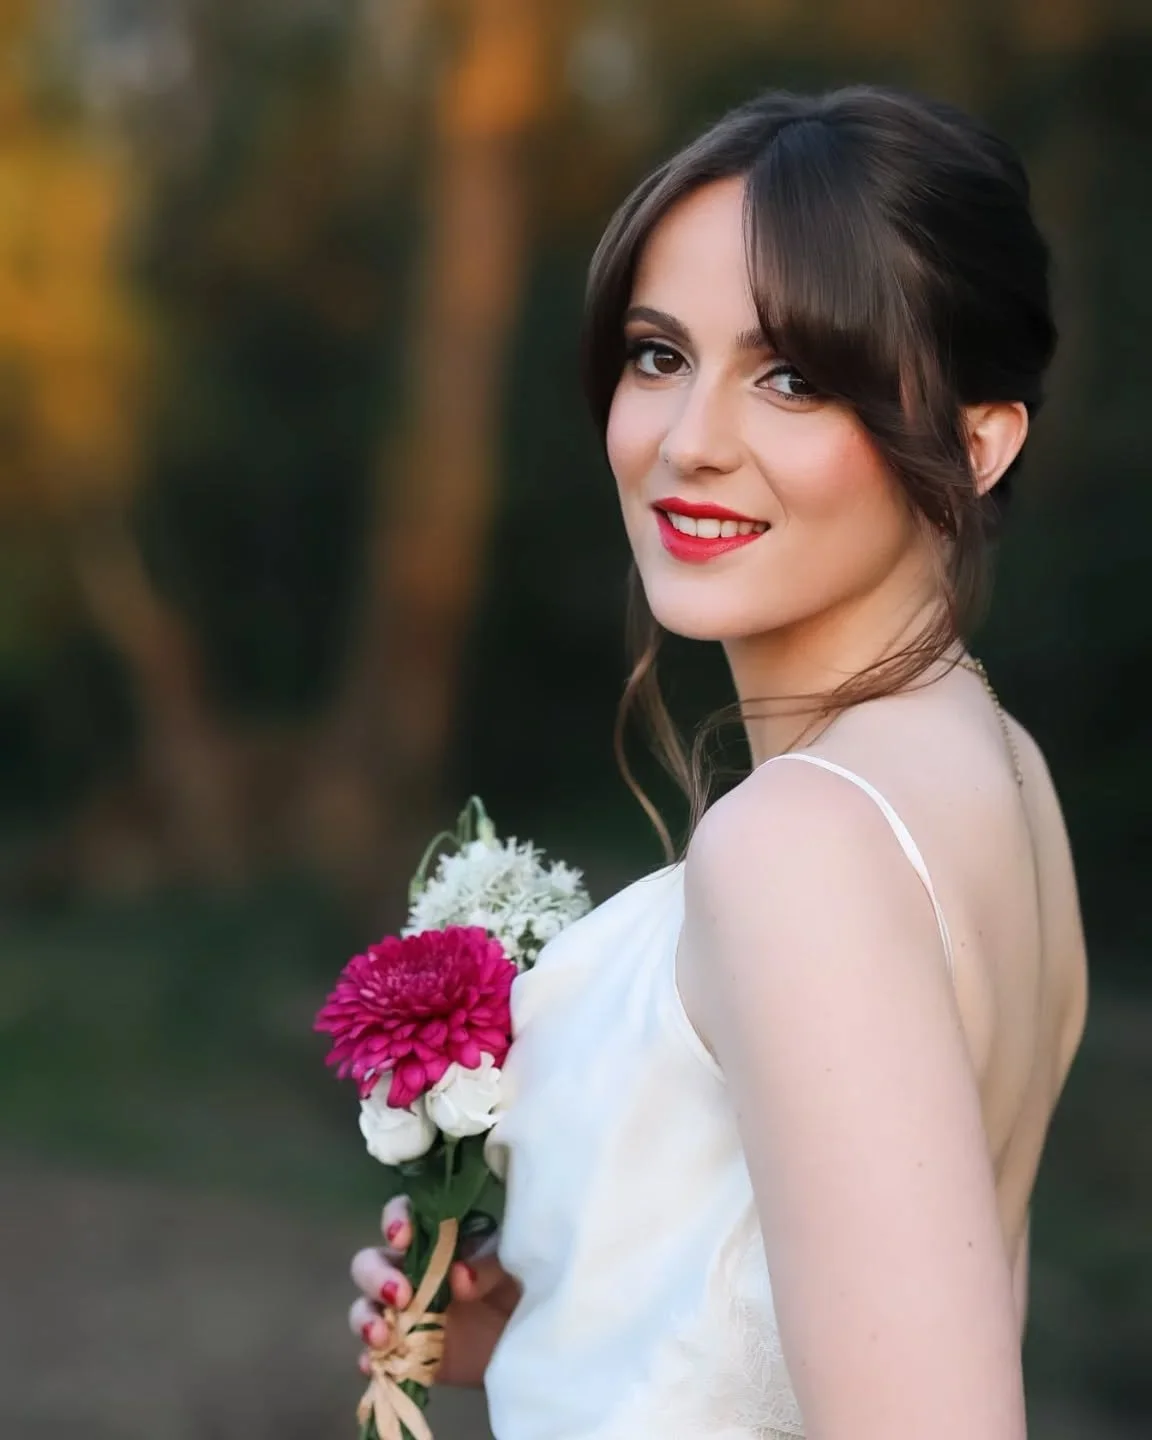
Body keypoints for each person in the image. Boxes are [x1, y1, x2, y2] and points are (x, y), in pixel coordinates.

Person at [348, 84, 1088, 1439]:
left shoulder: (801, 843)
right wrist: (582, 1322)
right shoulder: (997, 768)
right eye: (657, 354)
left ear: (979, 443)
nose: (691, 441)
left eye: (794, 375)